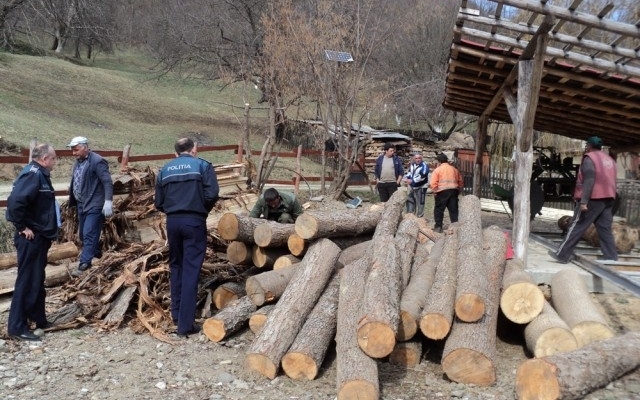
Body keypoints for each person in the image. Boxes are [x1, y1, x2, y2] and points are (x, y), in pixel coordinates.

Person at [155, 138, 219, 337]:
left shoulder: (165, 170)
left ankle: (176, 314)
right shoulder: (202, 166)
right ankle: (185, 325)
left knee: (176, 266)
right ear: (194, 149)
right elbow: (212, 194)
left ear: (176, 153)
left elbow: (159, 202)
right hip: (194, 221)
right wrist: (200, 210)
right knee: (191, 269)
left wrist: (174, 211)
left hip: (173, 222)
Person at [5, 144, 59, 341]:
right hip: (31, 238)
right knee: (27, 281)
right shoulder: (32, 175)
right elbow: (15, 204)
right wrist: (22, 227)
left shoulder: (40, 175)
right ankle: (17, 326)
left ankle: (39, 318)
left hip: (40, 236)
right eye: (54, 159)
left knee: (37, 279)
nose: (55, 163)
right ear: (45, 158)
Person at [549, 136, 618, 263]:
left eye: (587, 145)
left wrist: (584, 201)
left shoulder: (590, 158)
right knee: (604, 228)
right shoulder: (609, 159)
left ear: (589, 146)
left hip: (593, 198)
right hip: (609, 198)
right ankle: (612, 257)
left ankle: (562, 255)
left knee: (577, 225)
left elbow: (589, 180)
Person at [67, 136, 114, 273]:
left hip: (95, 203)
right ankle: (97, 253)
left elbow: (107, 181)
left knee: (89, 233)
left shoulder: (97, 161)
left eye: (76, 150)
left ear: (85, 147)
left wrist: (108, 201)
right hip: (82, 203)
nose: (74, 153)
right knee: (83, 234)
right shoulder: (78, 162)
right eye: (72, 150)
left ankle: (84, 263)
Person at [430, 153, 463, 233]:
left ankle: (438, 227)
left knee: (439, 210)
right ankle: (455, 228)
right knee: (454, 210)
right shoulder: (454, 169)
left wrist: (434, 191)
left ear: (439, 161)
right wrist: (458, 190)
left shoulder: (437, 170)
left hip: (441, 191)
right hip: (453, 190)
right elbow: (461, 181)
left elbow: (433, 183)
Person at [403, 153, 430, 217]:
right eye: (416, 158)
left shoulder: (424, 166)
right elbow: (410, 172)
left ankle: (419, 217)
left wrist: (412, 180)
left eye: (419, 158)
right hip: (412, 185)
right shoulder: (412, 165)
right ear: (414, 159)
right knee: (410, 199)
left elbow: (422, 176)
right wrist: (407, 177)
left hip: (421, 186)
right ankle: (410, 215)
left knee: (420, 202)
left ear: (421, 159)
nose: (418, 160)